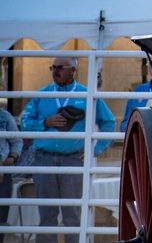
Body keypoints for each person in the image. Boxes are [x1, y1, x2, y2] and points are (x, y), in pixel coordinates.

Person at [20, 57, 116, 243]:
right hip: (44, 159)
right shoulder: (42, 94)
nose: (55, 71)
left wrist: (97, 149)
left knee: (72, 214)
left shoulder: (86, 94)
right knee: (47, 214)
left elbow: (109, 122)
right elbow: (25, 123)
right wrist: (45, 123)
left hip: (73, 159)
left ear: (73, 70)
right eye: (53, 67)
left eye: (60, 67)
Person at [0, 105, 23, 243]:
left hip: (3, 171)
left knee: (1, 214)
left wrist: (12, 157)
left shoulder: (4, 116)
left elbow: (17, 140)